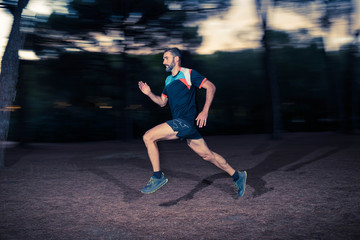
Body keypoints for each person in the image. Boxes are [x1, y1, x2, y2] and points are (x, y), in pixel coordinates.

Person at [138, 48, 247, 198]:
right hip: (183, 126)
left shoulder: (189, 73)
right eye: (163, 59)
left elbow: (211, 86)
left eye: (166, 58)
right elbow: (162, 103)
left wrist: (205, 111)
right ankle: (237, 176)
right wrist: (149, 93)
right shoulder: (168, 80)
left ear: (176, 59)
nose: (163, 62)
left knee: (148, 136)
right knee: (208, 156)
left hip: (185, 122)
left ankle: (158, 177)